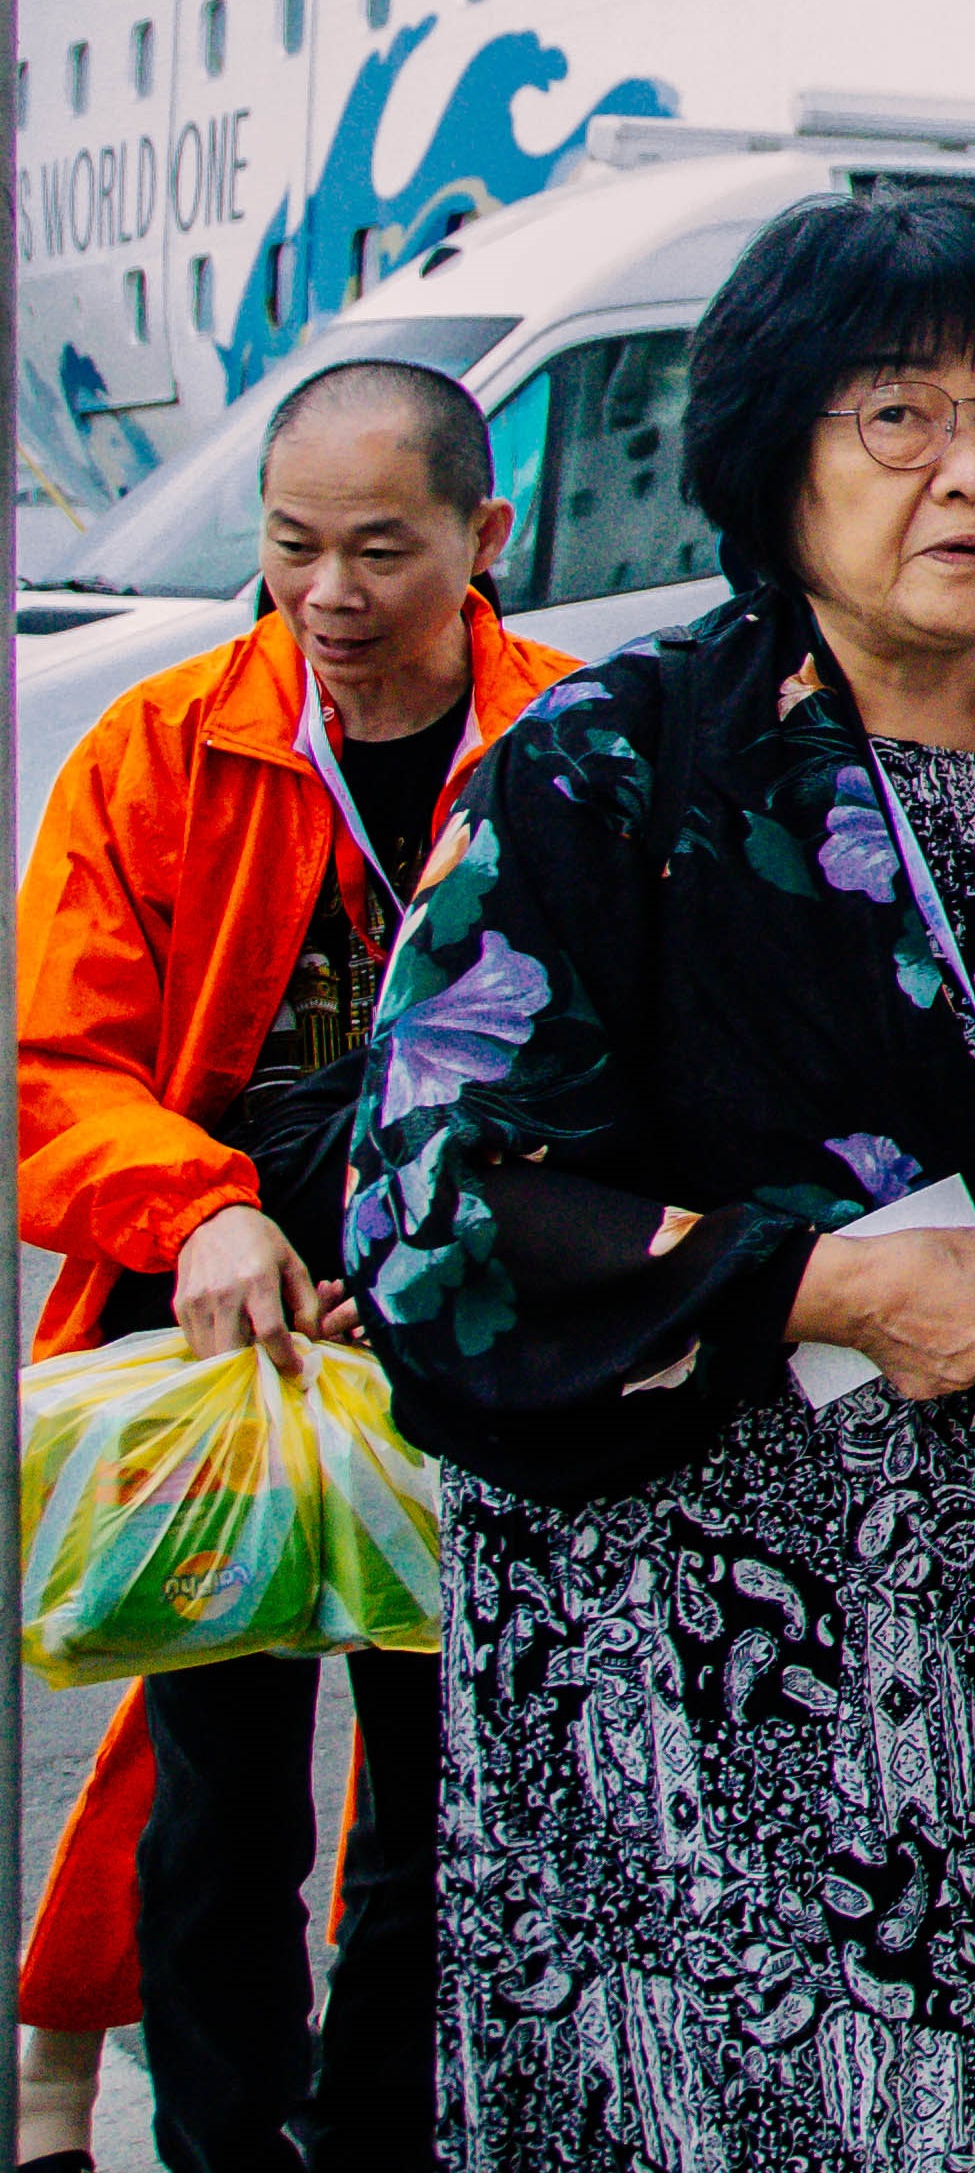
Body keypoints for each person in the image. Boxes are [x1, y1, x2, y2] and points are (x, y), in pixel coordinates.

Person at [344, 191, 975, 2171]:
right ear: (778, 455)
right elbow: (435, 1206)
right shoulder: (616, 768)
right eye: (899, 419)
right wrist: (819, 1286)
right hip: (700, 1685)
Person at [15, 361, 572, 2173]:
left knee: (451, 1793)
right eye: (292, 548)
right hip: (231, 1351)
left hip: (490, 1349)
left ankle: (384, 2140)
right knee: (215, 1802)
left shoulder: (579, 744)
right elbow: (56, 1073)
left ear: (484, 542)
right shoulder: (161, 750)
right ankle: (223, 2141)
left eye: (381, 551)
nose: (329, 597)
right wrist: (202, 1212)